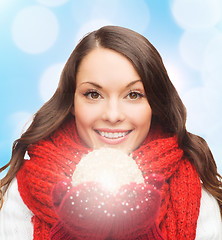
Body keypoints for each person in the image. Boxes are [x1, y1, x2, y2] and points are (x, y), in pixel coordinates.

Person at [0, 25, 221, 240]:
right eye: (94, 94)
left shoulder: (200, 200)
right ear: (71, 103)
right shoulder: (19, 198)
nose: (113, 115)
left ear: (155, 105)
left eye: (133, 95)